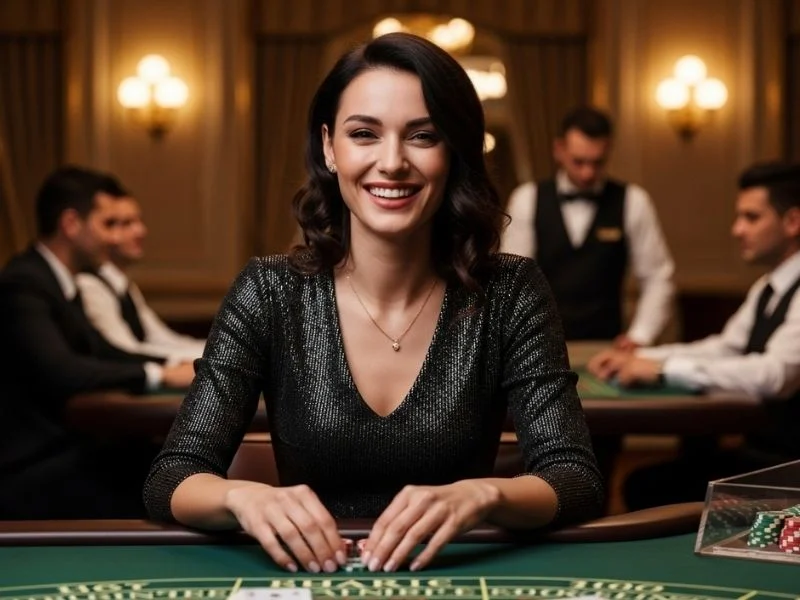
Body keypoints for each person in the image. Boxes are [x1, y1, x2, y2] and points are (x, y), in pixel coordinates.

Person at [144, 33, 603, 574]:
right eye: (364, 133)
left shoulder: (510, 291)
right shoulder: (269, 291)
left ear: (455, 152)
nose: (392, 163)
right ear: (328, 147)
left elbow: (575, 477)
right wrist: (245, 498)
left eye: (423, 136)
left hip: (456, 577)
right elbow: (171, 478)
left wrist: (485, 494)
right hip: (309, 579)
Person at [587, 161, 800, 510]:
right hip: (763, 455)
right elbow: (725, 347)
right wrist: (644, 358)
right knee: (645, 484)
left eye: (751, 217)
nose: (736, 229)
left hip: (789, 471)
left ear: (792, 221)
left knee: (647, 489)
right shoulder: (769, 285)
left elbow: (776, 376)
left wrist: (663, 372)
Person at [0, 165, 195, 520]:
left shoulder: (60, 282)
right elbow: (63, 371)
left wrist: (166, 370)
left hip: (66, 448)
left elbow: (105, 353)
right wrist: (159, 375)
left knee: (171, 462)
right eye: (106, 225)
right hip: (27, 465)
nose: (112, 239)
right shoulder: (24, 283)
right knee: (161, 472)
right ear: (72, 224)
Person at [501, 106, 675, 351]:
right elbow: (513, 280)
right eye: (579, 162)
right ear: (559, 150)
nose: (587, 173)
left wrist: (640, 335)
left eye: (597, 163)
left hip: (605, 346)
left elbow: (658, 276)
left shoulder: (633, 201)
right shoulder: (527, 198)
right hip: (540, 344)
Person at [77, 195, 206, 362]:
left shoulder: (125, 286)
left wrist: (220, 351)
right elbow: (126, 351)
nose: (141, 231)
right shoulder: (89, 284)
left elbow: (162, 338)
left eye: (138, 221)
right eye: (126, 223)